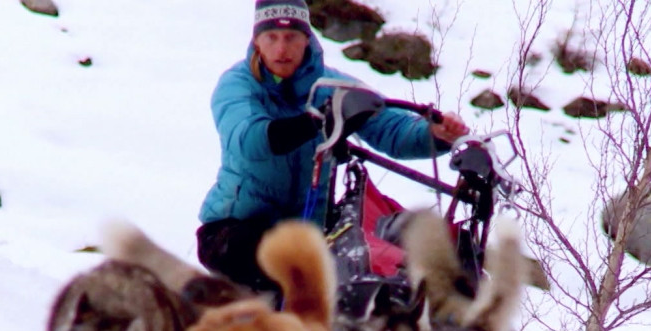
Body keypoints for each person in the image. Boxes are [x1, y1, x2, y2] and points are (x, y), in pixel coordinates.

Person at [197, 0, 470, 294]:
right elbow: (250, 139)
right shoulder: (238, 85)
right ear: (256, 40)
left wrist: (437, 134)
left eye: (291, 37)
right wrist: (315, 121)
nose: (281, 49)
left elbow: (391, 129)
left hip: (307, 236)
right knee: (292, 267)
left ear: (307, 38)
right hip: (232, 232)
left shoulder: (332, 85)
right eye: (271, 37)